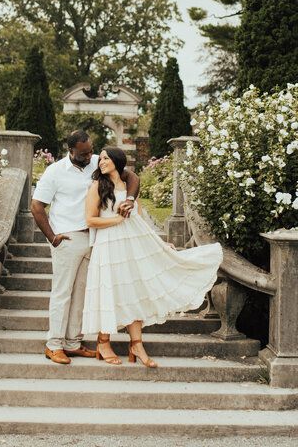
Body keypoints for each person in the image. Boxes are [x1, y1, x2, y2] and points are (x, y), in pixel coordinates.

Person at [82, 146, 223, 367]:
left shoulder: (128, 188)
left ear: (117, 161)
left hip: (130, 244)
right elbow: (90, 220)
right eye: (100, 159)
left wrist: (159, 243)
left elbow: (139, 222)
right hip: (108, 244)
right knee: (108, 289)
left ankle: (136, 344)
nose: (101, 162)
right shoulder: (97, 186)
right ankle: (103, 342)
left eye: (106, 158)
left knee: (134, 291)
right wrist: (116, 221)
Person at [31, 130, 140, 365]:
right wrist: (52, 237)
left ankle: (73, 343)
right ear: (71, 151)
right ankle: (54, 345)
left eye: (91, 150)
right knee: (62, 293)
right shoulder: (55, 172)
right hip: (67, 238)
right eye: (84, 153)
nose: (90, 155)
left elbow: (132, 178)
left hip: (93, 237)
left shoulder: (97, 163)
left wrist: (130, 199)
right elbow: (36, 206)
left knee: (81, 293)